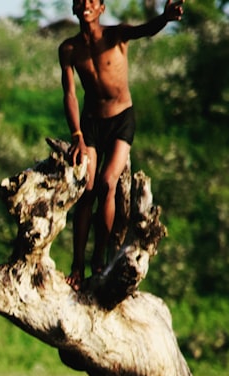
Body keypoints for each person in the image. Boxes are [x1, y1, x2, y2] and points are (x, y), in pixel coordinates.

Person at [59, 0, 183, 290]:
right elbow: (70, 94)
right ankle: (77, 266)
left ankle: (98, 260)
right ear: (75, 9)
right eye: (81, 1)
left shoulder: (117, 36)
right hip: (90, 124)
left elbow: (146, 29)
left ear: (101, 9)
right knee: (85, 190)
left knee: (106, 182)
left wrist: (165, 17)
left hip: (121, 120)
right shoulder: (69, 49)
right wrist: (76, 133)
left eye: (92, 1)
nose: (86, 4)